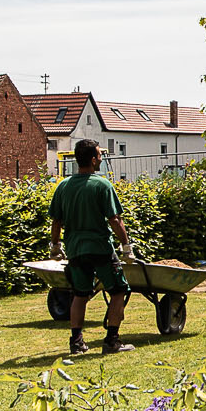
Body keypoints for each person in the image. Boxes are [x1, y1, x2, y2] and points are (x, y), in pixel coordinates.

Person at [50, 139, 136, 355]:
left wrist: (55, 245)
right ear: (92, 160)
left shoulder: (63, 186)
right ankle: (112, 341)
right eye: (99, 155)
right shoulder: (102, 185)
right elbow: (115, 220)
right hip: (100, 249)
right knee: (119, 291)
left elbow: (56, 221)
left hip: (75, 250)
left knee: (80, 294)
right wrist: (126, 245)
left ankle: (76, 342)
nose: (101, 158)